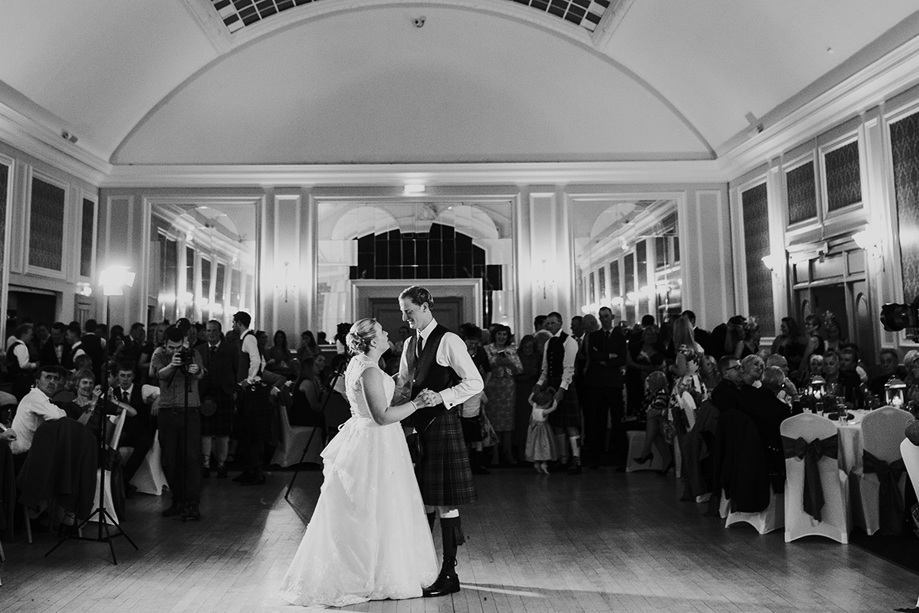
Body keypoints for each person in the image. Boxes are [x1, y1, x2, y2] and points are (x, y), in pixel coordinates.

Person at [280, 319, 438, 607]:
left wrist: (403, 391)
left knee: (373, 506)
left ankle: (375, 567)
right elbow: (382, 415)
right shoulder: (368, 370)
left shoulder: (361, 364)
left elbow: (375, 400)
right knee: (375, 506)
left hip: (368, 438)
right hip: (375, 442)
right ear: (373, 341)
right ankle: (370, 573)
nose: (388, 333)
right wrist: (418, 404)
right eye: (383, 331)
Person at [397, 285, 484, 598]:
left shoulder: (449, 340)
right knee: (422, 500)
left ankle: (450, 572)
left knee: (445, 500)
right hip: (415, 429)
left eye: (408, 311)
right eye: (403, 312)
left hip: (444, 424)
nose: (405, 317)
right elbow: (404, 385)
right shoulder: (409, 343)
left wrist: (443, 396)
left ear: (424, 306)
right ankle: (424, 567)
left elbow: (475, 382)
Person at [153, 325, 205, 521]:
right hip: (167, 412)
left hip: (190, 411)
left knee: (191, 459)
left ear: (184, 343)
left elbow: (201, 374)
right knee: (170, 459)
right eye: (171, 347)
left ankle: (192, 504)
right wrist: (172, 365)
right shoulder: (159, 354)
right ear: (165, 344)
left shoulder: (193, 353)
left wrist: (196, 369)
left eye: (178, 347)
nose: (175, 351)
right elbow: (159, 374)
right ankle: (178, 500)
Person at [534, 312, 583, 474]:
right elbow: (545, 368)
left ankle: (576, 459)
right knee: (557, 424)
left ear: (561, 323)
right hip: (552, 384)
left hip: (565, 385)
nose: (550, 326)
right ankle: (562, 459)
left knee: (570, 424)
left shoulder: (570, 342)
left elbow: (569, 368)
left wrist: (562, 389)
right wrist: (539, 384)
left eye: (553, 323)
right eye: (548, 323)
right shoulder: (548, 343)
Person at [583, 306, 628, 469]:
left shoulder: (619, 336)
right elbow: (592, 355)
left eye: (606, 316)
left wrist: (604, 359)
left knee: (617, 420)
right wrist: (610, 356)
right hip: (597, 383)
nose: (604, 319)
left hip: (613, 383)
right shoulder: (594, 336)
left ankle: (618, 456)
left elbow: (622, 358)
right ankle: (597, 456)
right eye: (601, 317)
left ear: (612, 317)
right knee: (597, 420)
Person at [199, 320, 238, 479]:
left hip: (224, 394)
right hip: (205, 396)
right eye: (208, 331)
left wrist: (233, 390)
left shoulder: (230, 349)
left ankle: (222, 464)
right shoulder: (199, 350)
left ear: (220, 332)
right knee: (205, 432)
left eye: (214, 331)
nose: (211, 334)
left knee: (223, 432)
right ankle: (206, 465)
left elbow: (236, 370)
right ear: (205, 332)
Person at [483, 324, 522, 465]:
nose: (502, 337)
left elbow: (519, 368)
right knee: (493, 421)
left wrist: (509, 363)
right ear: (494, 335)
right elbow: (482, 367)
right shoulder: (487, 349)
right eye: (499, 334)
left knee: (508, 422)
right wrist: (496, 363)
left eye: (504, 334)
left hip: (508, 387)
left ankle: (508, 453)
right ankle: (495, 455)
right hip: (492, 386)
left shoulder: (512, 349)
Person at [9, 365, 67, 455]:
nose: (52, 382)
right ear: (37, 381)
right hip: (22, 456)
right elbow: (57, 415)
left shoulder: (39, 397)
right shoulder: (35, 397)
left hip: (28, 453)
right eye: (48, 377)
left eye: (55, 378)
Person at [525, 388, 557, 474]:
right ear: (545, 403)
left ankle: (536, 463)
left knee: (535, 447)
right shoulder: (543, 411)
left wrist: (533, 392)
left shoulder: (534, 406)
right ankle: (544, 463)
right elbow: (553, 408)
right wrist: (556, 399)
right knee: (543, 446)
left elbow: (529, 399)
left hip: (533, 431)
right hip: (543, 432)